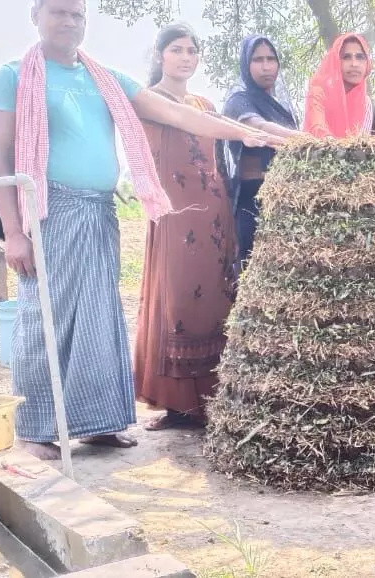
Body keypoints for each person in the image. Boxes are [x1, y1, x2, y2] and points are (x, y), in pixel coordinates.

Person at [0, 0, 276, 460]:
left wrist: (249, 135)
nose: (69, 21)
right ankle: (37, 429)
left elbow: (179, 114)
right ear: (36, 16)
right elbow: (0, 158)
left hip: (99, 210)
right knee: (47, 319)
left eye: (77, 14)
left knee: (100, 320)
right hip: (47, 210)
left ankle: (97, 423)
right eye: (58, 12)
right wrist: (14, 233)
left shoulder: (105, 77)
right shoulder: (13, 76)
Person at [132, 24, 239, 431]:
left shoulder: (205, 105)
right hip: (175, 216)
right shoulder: (148, 100)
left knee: (216, 300)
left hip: (213, 212)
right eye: (177, 49)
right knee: (177, 301)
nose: (185, 57)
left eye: (192, 51)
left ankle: (215, 399)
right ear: (160, 55)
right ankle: (179, 406)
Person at [221, 35, 304, 264]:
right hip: (252, 204)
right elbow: (259, 127)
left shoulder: (284, 108)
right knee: (252, 272)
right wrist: (306, 140)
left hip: (285, 204)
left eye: (271, 59)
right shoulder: (238, 101)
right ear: (246, 64)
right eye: (258, 59)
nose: (266, 66)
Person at [304, 33, 375, 138]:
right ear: (336, 61)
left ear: (367, 63)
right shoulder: (319, 95)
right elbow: (317, 129)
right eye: (346, 57)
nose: (354, 64)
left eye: (360, 57)